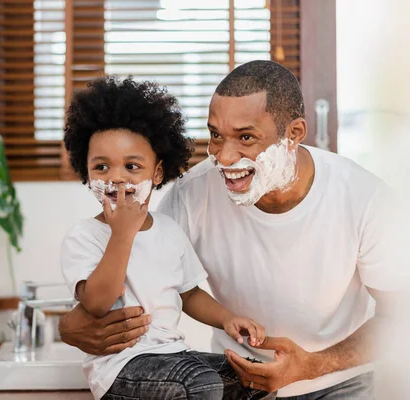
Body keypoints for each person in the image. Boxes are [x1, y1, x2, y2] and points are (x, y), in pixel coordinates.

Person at [59, 61, 402, 399]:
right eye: (215, 136)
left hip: (337, 381)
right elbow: (143, 274)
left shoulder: (365, 198)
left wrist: (309, 366)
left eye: (246, 137)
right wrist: (69, 328)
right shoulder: (192, 194)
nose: (223, 157)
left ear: (293, 134)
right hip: (239, 378)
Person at [61, 76, 276, 400]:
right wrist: (122, 235)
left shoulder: (169, 229)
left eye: (132, 166)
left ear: (157, 173)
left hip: (174, 355)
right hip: (121, 367)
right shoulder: (85, 236)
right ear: (86, 171)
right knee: (200, 384)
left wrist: (228, 319)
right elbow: (96, 303)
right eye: (101, 167)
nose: (116, 176)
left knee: (252, 378)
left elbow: (189, 295)